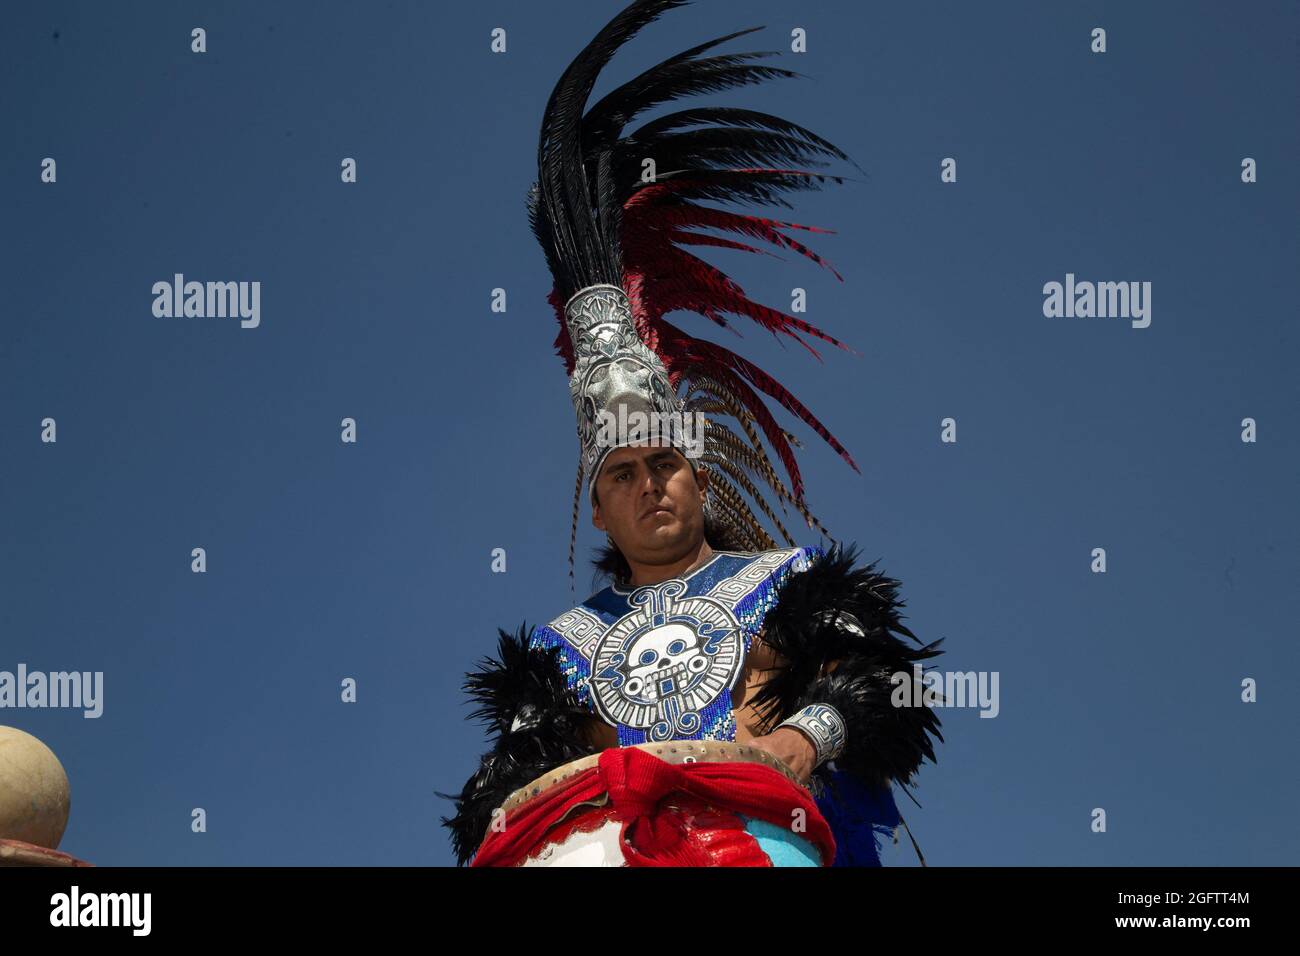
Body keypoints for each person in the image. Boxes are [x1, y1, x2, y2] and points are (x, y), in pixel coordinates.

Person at [440, 0, 944, 867]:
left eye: (664, 462)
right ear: (598, 508)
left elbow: (888, 686)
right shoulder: (564, 649)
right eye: (622, 473)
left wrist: (796, 745)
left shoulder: (787, 585)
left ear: (700, 479)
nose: (647, 484)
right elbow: (495, 804)